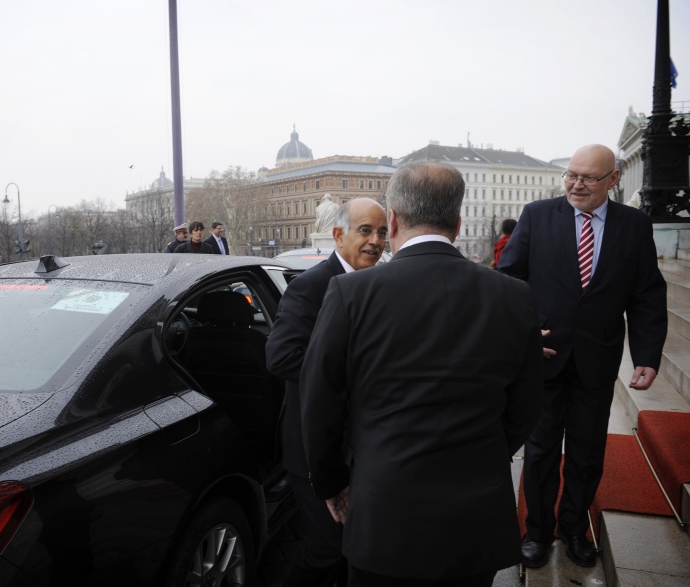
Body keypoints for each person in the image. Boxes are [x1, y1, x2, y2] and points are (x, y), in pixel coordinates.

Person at [299, 161, 543, 586]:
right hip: (476, 514)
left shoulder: (352, 293)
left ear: (392, 219)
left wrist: (332, 484)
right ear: (458, 220)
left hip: (384, 511)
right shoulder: (513, 295)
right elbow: (526, 403)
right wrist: (484, 452)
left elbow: (320, 403)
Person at [497, 144, 668, 569]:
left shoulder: (634, 225)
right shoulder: (538, 216)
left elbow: (647, 294)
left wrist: (647, 354)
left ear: (613, 179)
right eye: (571, 174)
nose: (576, 183)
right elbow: (509, 280)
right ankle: (537, 531)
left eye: (588, 177)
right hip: (544, 356)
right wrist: (523, 334)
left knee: (588, 451)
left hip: (597, 359)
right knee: (539, 451)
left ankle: (574, 528)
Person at [266, 197, 387, 586]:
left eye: (382, 232)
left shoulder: (383, 284)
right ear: (338, 234)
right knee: (328, 548)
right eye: (365, 230)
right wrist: (357, 372)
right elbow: (282, 358)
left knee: (354, 546)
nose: (375, 241)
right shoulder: (310, 287)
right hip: (314, 449)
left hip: (365, 448)